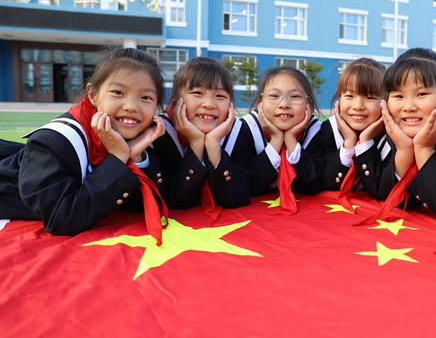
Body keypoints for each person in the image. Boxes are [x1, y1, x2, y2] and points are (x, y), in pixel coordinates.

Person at [0, 47, 168, 244]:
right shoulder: (54, 141)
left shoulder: (143, 136)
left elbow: (143, 205)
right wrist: (117, 158)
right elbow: (63, 218)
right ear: (93, 95)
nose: (131, 106)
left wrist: (135, 156)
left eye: (146, 97)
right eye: (118, 92)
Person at [363, 48, 436, 225]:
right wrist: (404, 151)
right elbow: (387, 195)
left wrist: (424, 149)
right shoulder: (400, 127)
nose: (408, 107)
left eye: (421, 94)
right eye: (398, 96)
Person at [153, 57, 252, 218]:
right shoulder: (160, 132)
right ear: (175, 103)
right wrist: (196, 143)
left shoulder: (238, 132)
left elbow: (237, 197)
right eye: (198, 93)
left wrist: (213, 145)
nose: (209, 104)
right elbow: (175, 200)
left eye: (220, 96)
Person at [241, 66, 323, 213]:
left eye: (295, 97)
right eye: (274, 96)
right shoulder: (246, 129)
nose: (284, 104)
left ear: (309, 106)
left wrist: (291, 139)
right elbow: (248, 186)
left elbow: (313, 186)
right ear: (260, 104)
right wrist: (276, 140)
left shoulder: (316, 131)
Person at [321, 58, 390, 208]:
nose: (358, 106)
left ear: (385, 102)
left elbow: (379, 191)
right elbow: (328, 185)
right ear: (339, 99)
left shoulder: (392, 136)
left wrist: (365, 142)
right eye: (349, 96)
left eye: (370, 97)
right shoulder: (329, 130)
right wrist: (349, 143)